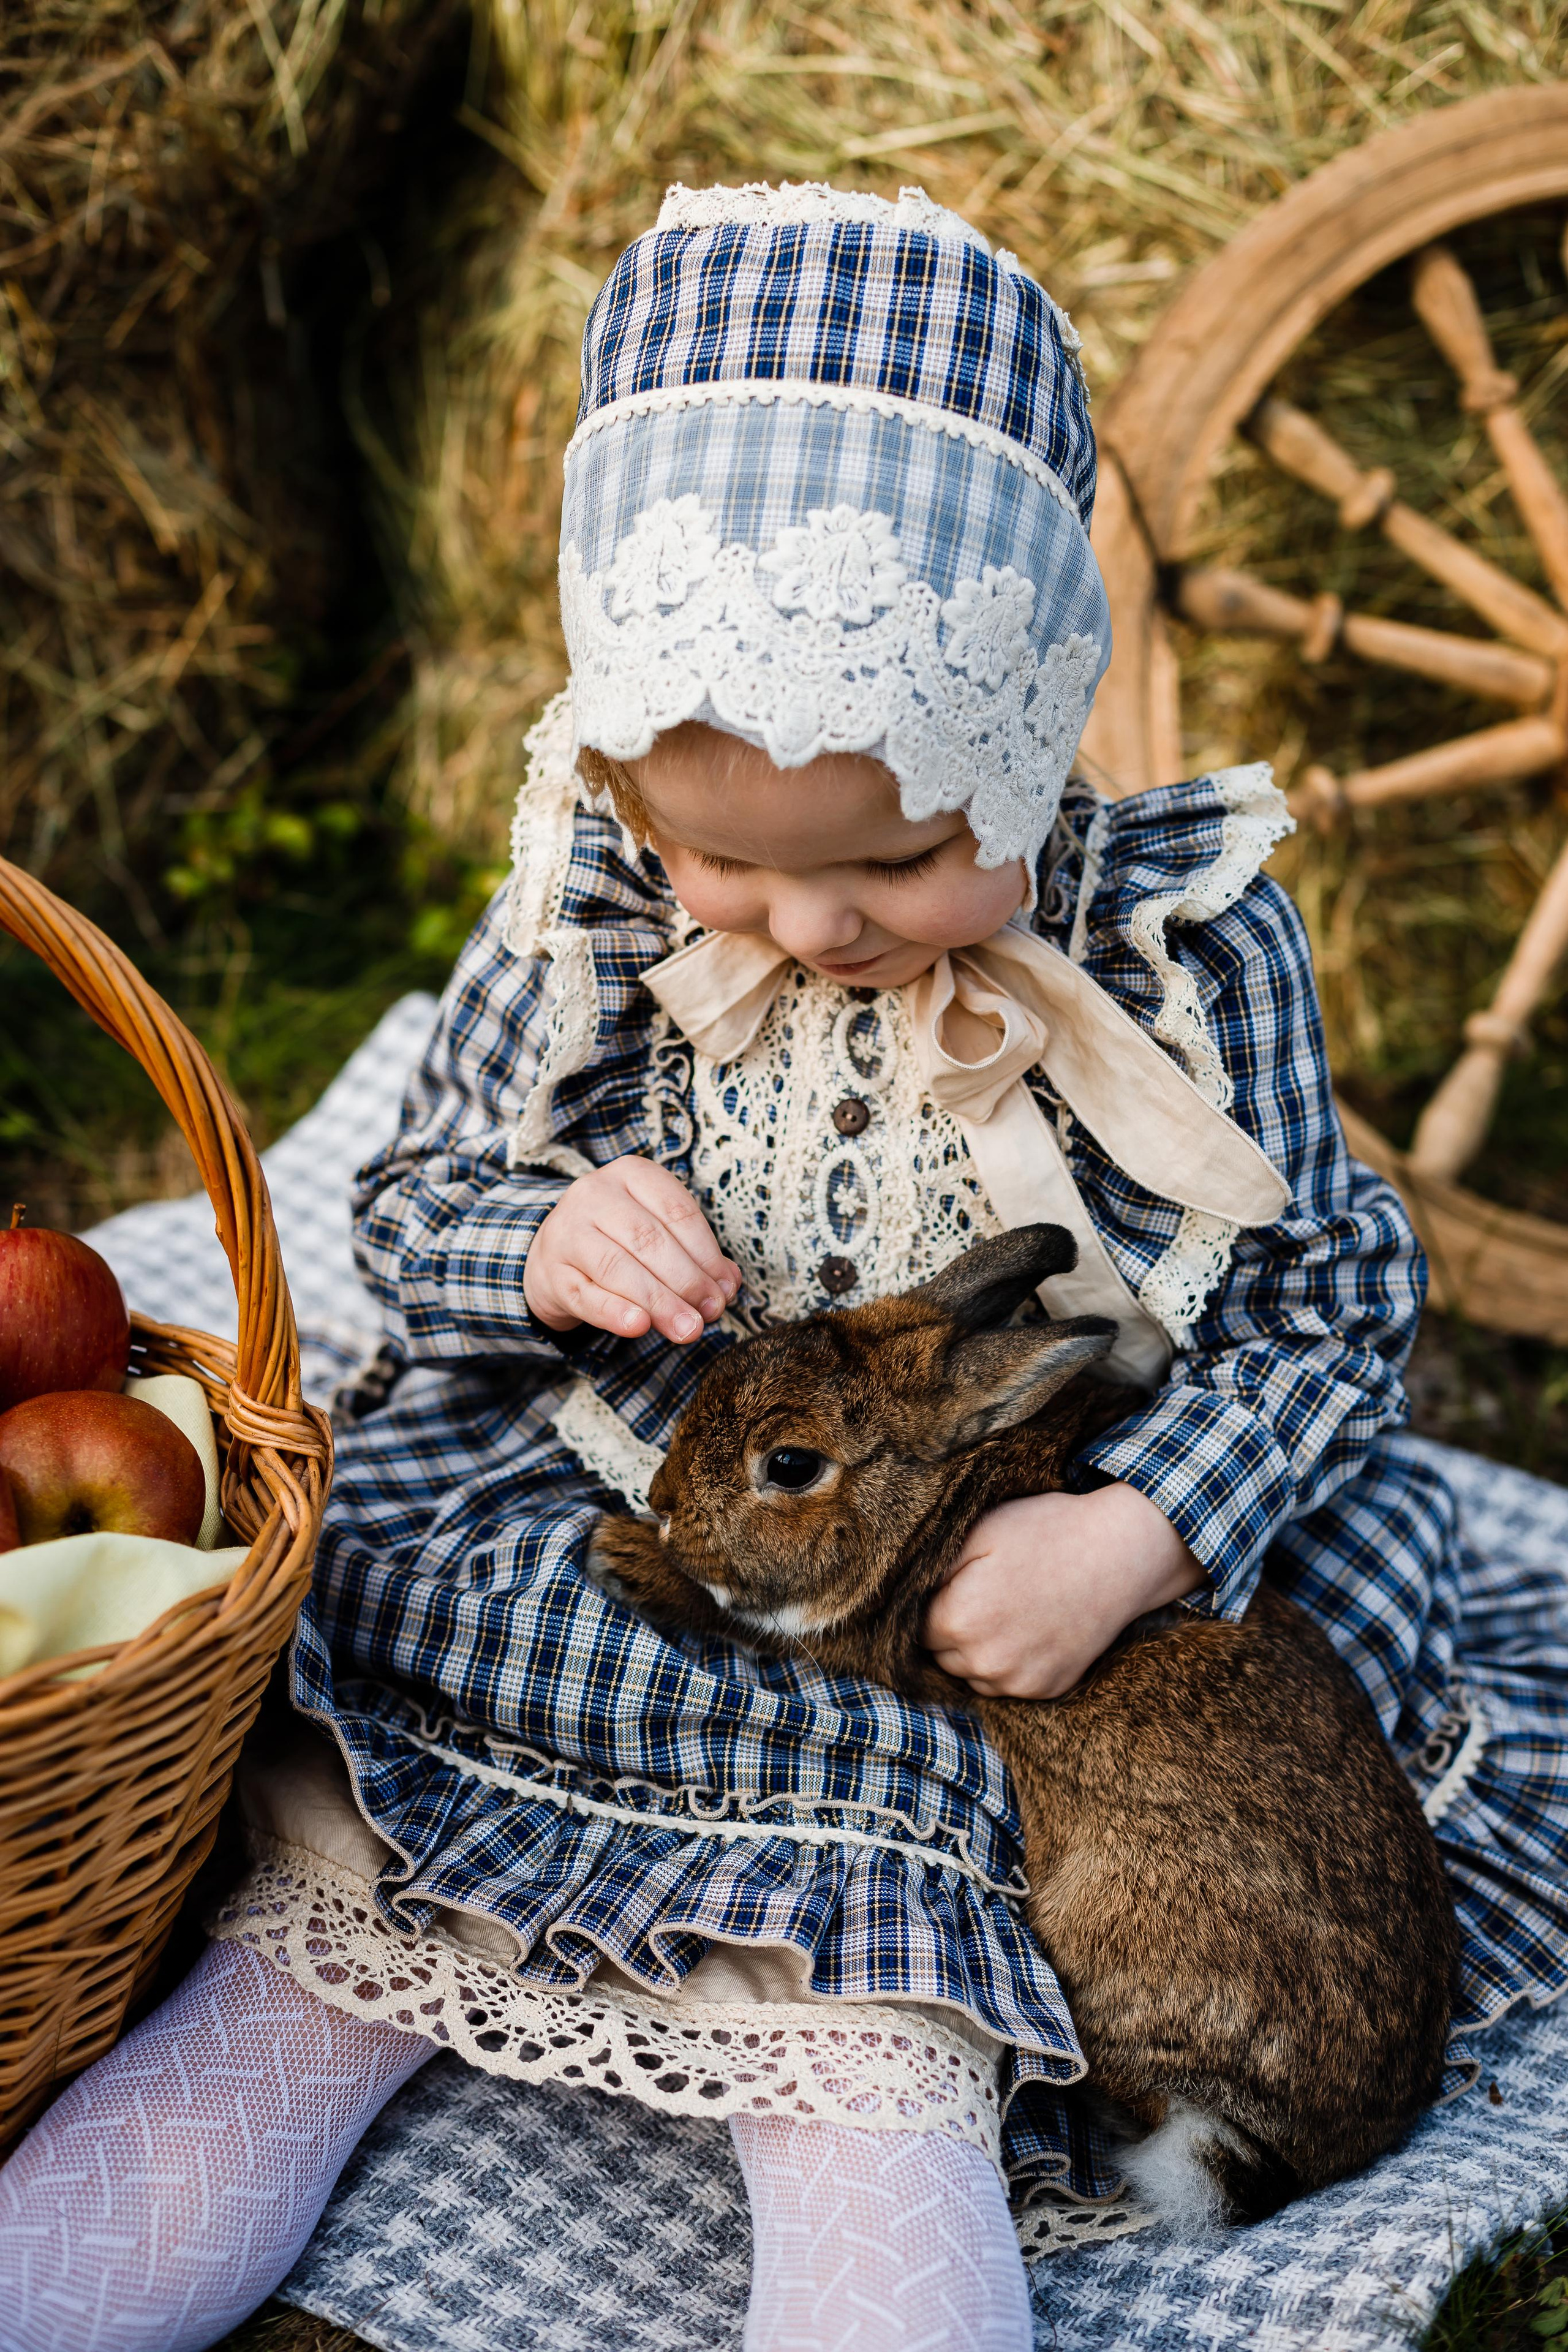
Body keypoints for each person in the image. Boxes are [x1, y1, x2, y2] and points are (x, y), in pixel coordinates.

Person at [4, 178, 1566, 2352]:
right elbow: (406, 1196)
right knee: (356, 1868)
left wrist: (1141, 1535)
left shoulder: (1182, 943)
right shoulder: (591, 896)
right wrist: (539, 1233)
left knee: (899, 1931)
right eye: (720, 859)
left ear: (1033, 735)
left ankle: (883, 2134)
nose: (808, 928)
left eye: (909, 861)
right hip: (622, 1498)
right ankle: (247, 2081)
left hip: (999, 1615)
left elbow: (1327, 1308)